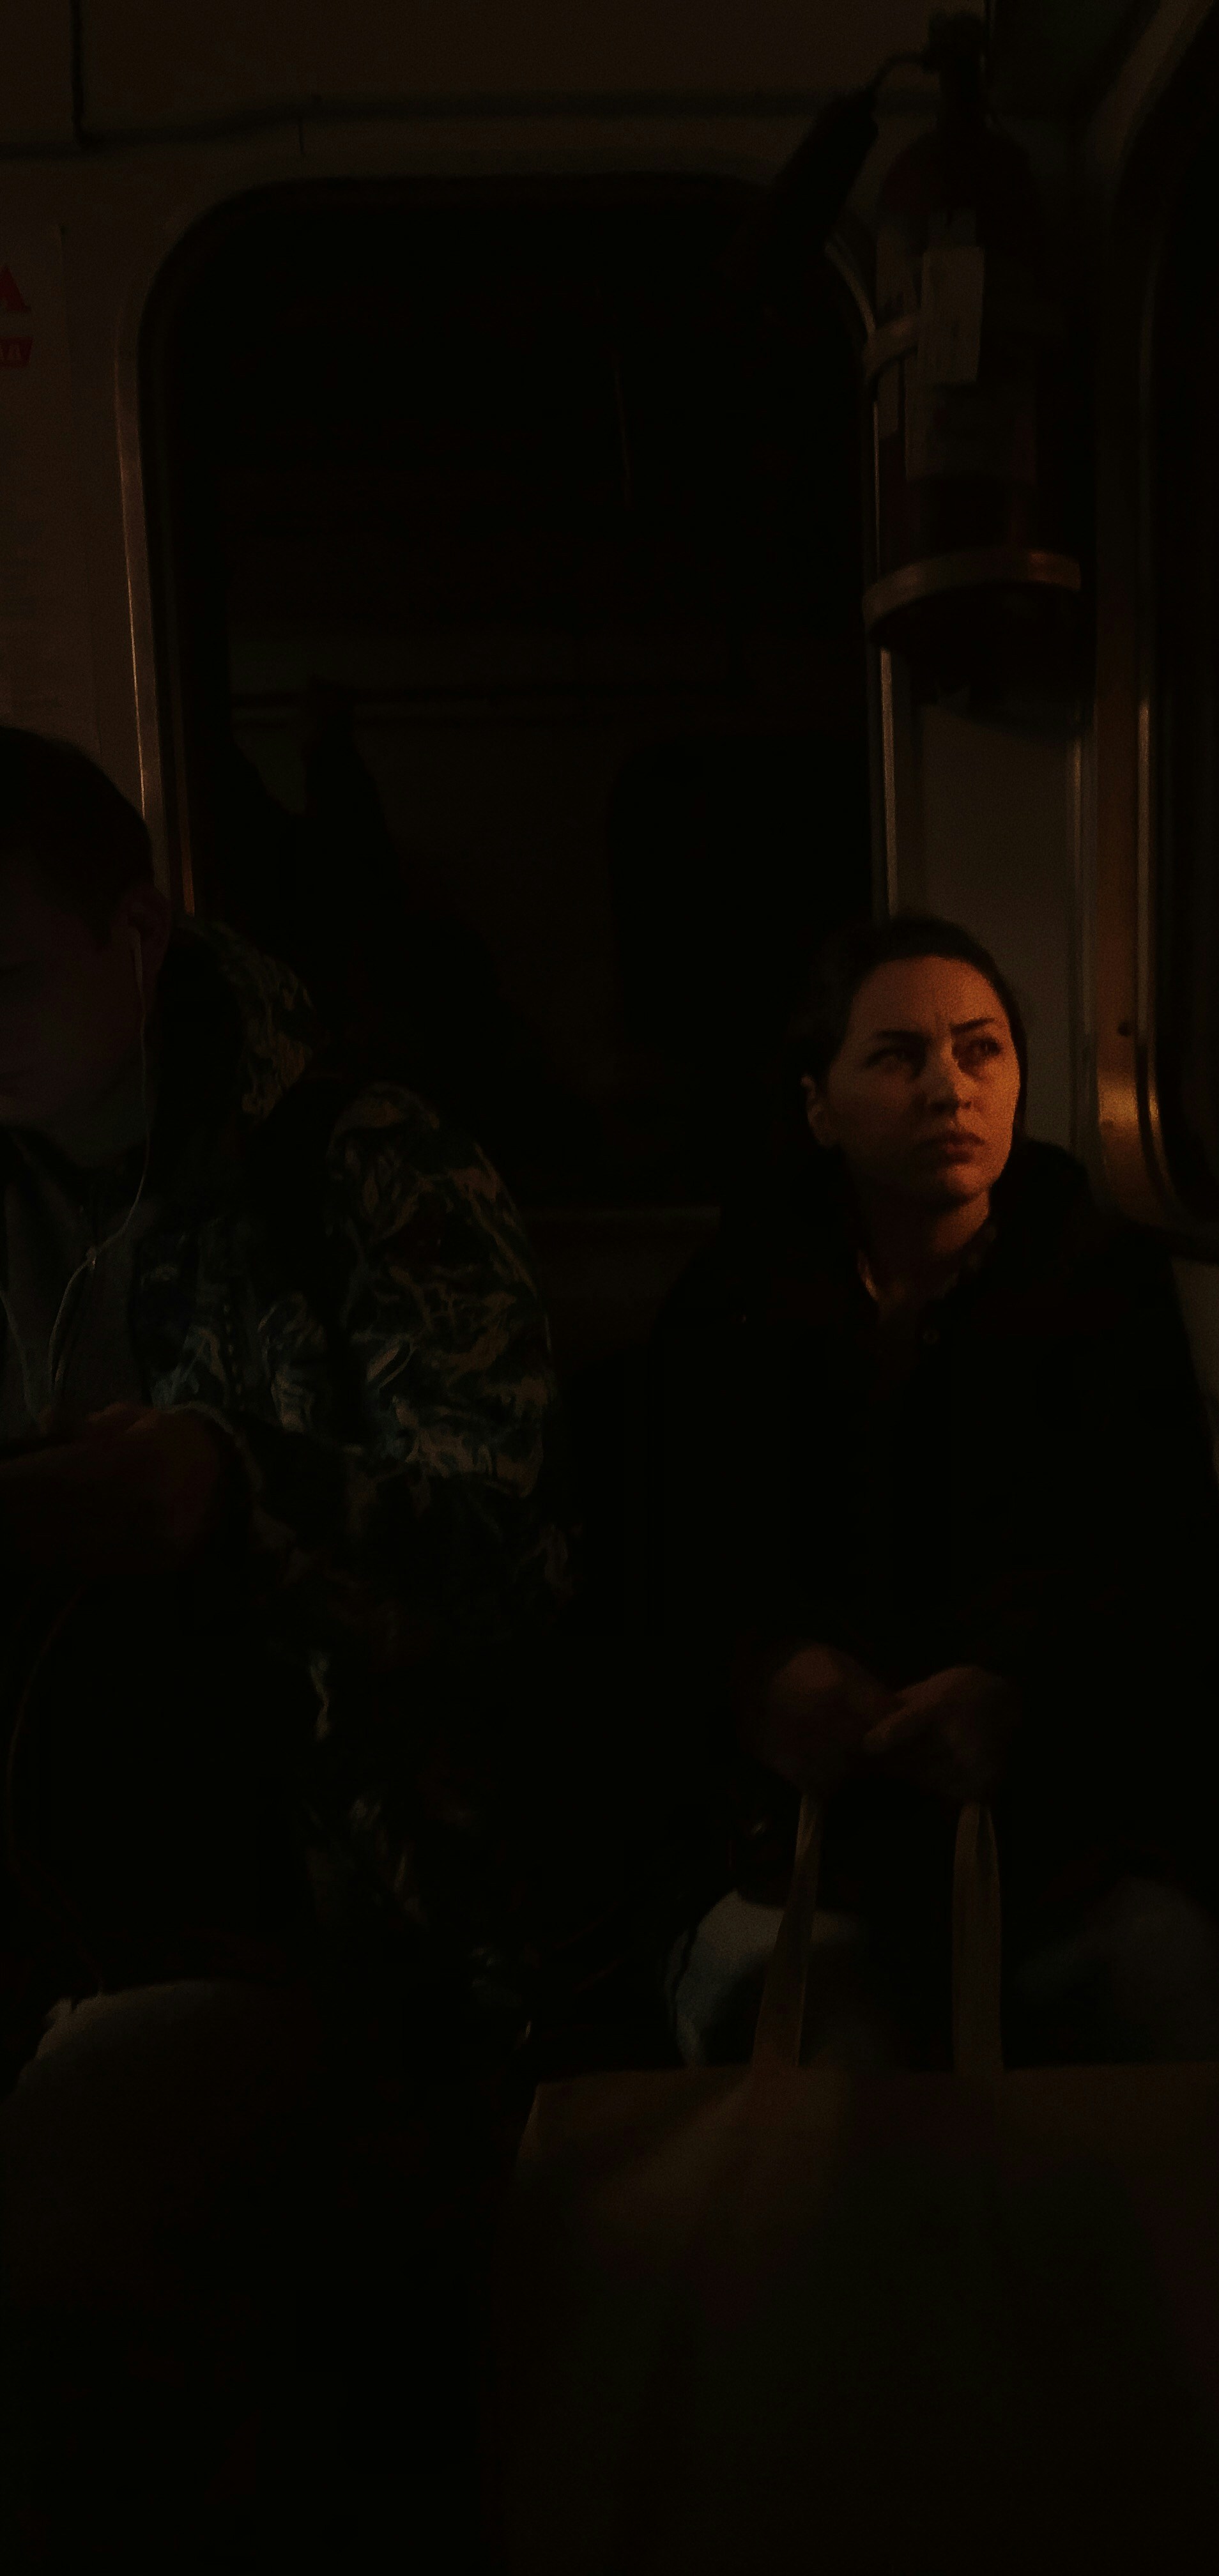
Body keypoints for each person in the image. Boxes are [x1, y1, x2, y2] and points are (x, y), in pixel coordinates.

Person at [641, 914, 1219, 2562]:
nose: (951, 1089)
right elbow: (662, 1577)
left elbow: (1166, 1586)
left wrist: (1019, 1696)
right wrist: (768, 1682)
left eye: (983, 1052)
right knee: (838, 2151)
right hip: (812, 1858)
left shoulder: (1093, 1284)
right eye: (898, 1057)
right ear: (819, 1106)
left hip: (1067, 1834)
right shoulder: (733, 1307)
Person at [0, 725, 567, 2561]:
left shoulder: (358, 1166)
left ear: (138, 932)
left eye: (6, 978)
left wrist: (236, 1491)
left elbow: (501, 1558)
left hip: (332, 1901)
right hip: (44, 1873)